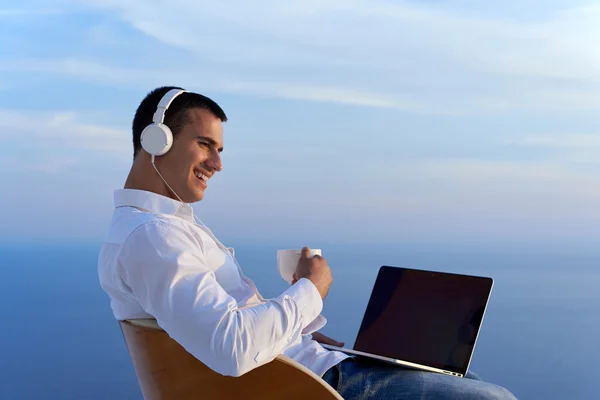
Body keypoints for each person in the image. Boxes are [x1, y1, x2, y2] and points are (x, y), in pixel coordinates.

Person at [98, 86, 517, 399]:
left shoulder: (161, 229)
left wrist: (297, 328)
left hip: (305, 366)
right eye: (205, 144)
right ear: (157, 140)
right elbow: (232, 348)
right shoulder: (152, 237)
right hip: (315, 385)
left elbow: (223, 326)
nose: (218, 164)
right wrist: (310, 290)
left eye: (220, 149)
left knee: (464, 379)